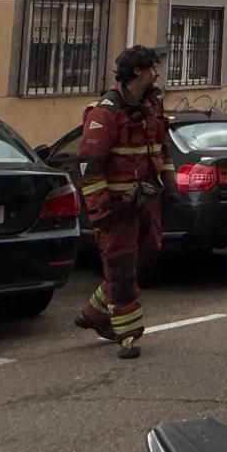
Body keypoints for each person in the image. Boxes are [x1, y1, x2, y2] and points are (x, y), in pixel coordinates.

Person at [74, 45, 171, 359]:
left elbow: (160, 149)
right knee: (121, 264)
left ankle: (95, 313)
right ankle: (127, 333)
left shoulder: (152, 106)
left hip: (146, 199)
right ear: (137, 71)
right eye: (152, 68)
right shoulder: (105, 113)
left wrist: (169, 181)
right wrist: (100, 209)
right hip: (118, 204)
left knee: (149, 253)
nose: (157, 73)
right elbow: (89, 166)